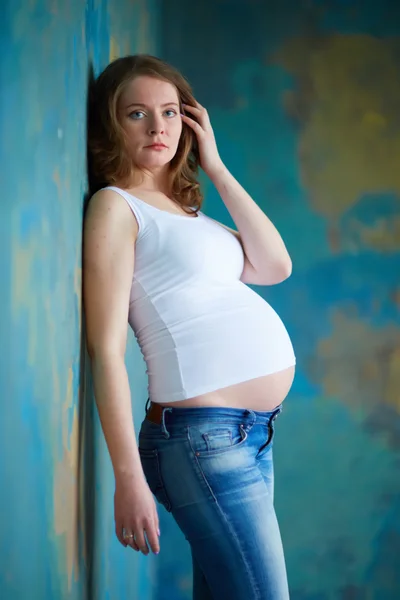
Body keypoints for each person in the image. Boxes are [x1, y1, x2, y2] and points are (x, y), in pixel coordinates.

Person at [84, 54, 295, 600]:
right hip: (201, 439)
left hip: (250, 432)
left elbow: (275, 266)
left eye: (171, 112)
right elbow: (106, 350)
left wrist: (217, 167)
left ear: (191, 123)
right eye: (137, 114)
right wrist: (127, 477)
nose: (158, 127)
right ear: (111, 124)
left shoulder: (187, 211)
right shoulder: (117, 207)